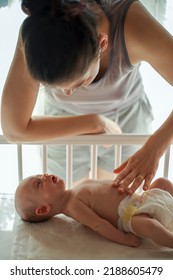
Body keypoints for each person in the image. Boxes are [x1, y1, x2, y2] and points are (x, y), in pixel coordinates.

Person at [1, 0, 173, 188]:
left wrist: (155, 147)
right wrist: (93, 122)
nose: (67, 93)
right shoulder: (37, 35)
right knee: (66, 197)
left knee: (114, 197)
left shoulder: (133, 25)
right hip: (60, 119)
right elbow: (14, 130)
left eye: (79, 83)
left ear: (102, 43)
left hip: (126, 115)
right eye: (52, 86)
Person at [15, 174, 173, 248]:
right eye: (38, 183)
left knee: (162, 182)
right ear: (43, 209)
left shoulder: (77, 188)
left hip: (141, 198)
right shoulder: (72, 206)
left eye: (40, 174)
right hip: (131, 214)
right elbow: (98, 225)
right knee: (151, 227)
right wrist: (122, 239)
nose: (44, 176)